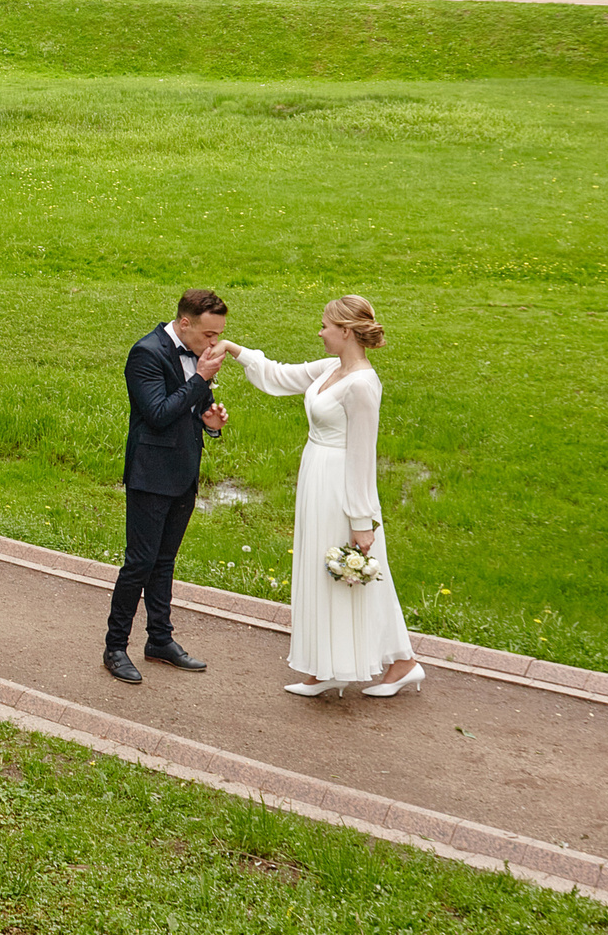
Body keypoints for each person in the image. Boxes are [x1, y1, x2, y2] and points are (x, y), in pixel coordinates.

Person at [224, 296, 422, 698]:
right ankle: (327, 668)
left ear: (346, 331)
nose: (320, 332)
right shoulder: (331, 368)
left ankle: (401, 663)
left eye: (325, 326)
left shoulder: (363, 384)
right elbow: (281, 376)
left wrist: (361, 521)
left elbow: (363, 455)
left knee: (351, 576)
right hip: (316, 477)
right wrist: (233, 350)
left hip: (341, 486)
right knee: (323, 574)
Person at [104, 290, 231, 684]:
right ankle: (114, 647)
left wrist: (210, 422)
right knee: (139, 563)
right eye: (209, 334)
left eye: (220, 335)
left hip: (183, 472)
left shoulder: (197, 356)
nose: (214, 343)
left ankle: (160, 639)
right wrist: (202, 379)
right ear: (185, 322)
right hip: (150, 474)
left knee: (165, 562)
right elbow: (158, 414)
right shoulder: (146, 353)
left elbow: (188, 408)